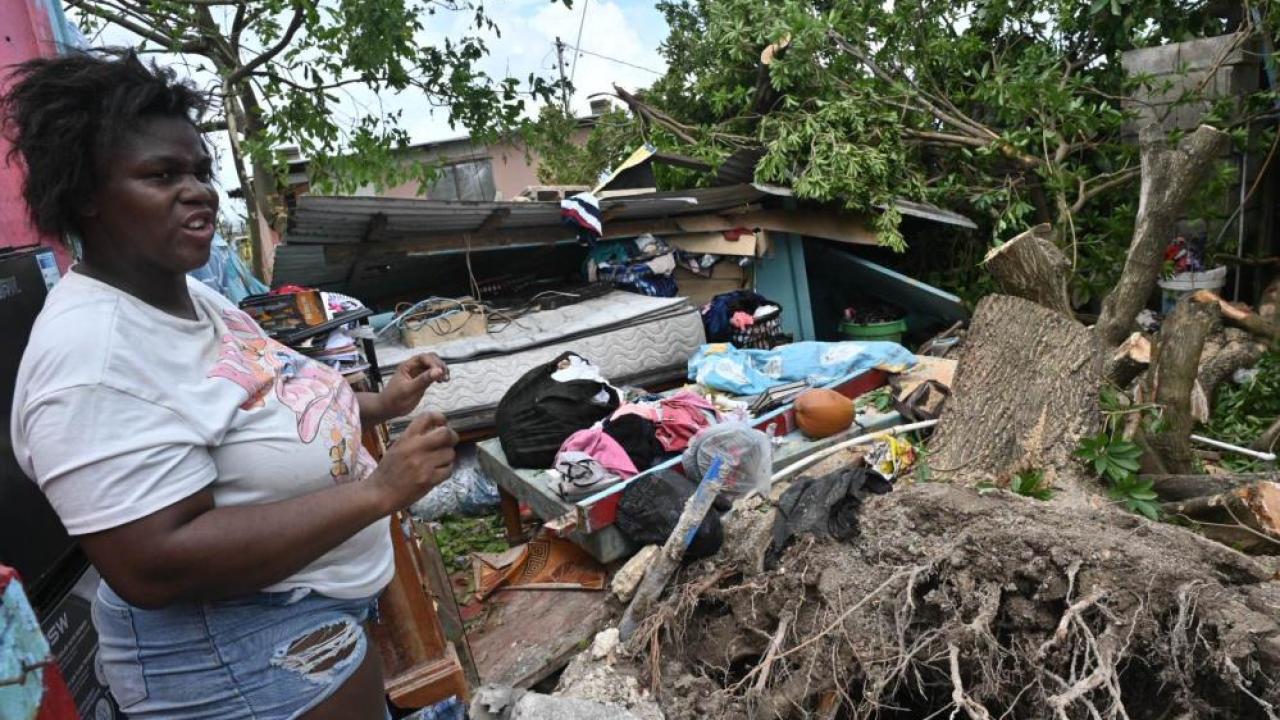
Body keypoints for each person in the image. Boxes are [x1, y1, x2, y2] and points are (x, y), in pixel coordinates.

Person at [3, 50, 458, 719]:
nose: (198, 191)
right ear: (87, 196)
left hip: (295, 608)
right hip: (239, 647)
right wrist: (379, 492)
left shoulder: (187, 296)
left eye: (199, 170)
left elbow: (270, 394)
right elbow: (156, 562)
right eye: (161, 175)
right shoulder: (90, 360)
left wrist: (380, 402)